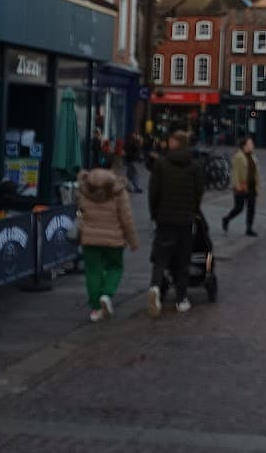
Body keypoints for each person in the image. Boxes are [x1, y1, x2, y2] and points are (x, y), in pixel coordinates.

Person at [148, 125, 204, 316]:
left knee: (160, 258)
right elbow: (199, 192)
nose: (167, 142)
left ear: (176, 143)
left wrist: (154, 214)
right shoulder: (194, 166)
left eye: (171, 140)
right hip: (185, 220)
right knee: (183, 260)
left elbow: (153, 192)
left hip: (164, 219)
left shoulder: (161, 164)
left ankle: (155, 287)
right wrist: (194, 211)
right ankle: (181, 299)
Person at [77, 166, 138, 321]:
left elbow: (80, 213)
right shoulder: (119, 193)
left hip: (90, 239)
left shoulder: (84, 192)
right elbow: (126, 219)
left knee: (92, 272)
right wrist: (132, 240)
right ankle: (106, 294)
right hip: (114, 240)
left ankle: (95, 310)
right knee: (115, 267)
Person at [222, 136, 260, 237]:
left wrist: (257, 185)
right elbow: (235, 173)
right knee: (239, 208)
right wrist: (236, 185)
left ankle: (249, 228)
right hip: (241, 185)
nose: (252, 145)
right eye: (250, 144)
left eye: (252, 144)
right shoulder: (238, 156)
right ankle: (226, 219)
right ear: (244, 146)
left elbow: (256, 172)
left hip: (251, 186)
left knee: (251, 207)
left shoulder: (253, 156)